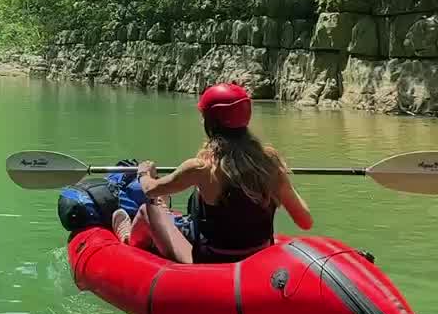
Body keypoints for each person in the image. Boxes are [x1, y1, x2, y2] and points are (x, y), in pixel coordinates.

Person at [112, 83, 312, 264]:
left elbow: (150, 190)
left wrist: (144, 173)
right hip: (256, 260)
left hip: (209, 262)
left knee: (148, 210)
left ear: (210, 122)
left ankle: (129, 239)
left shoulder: (202, 168)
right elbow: (305, 221)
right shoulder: (270, 164)